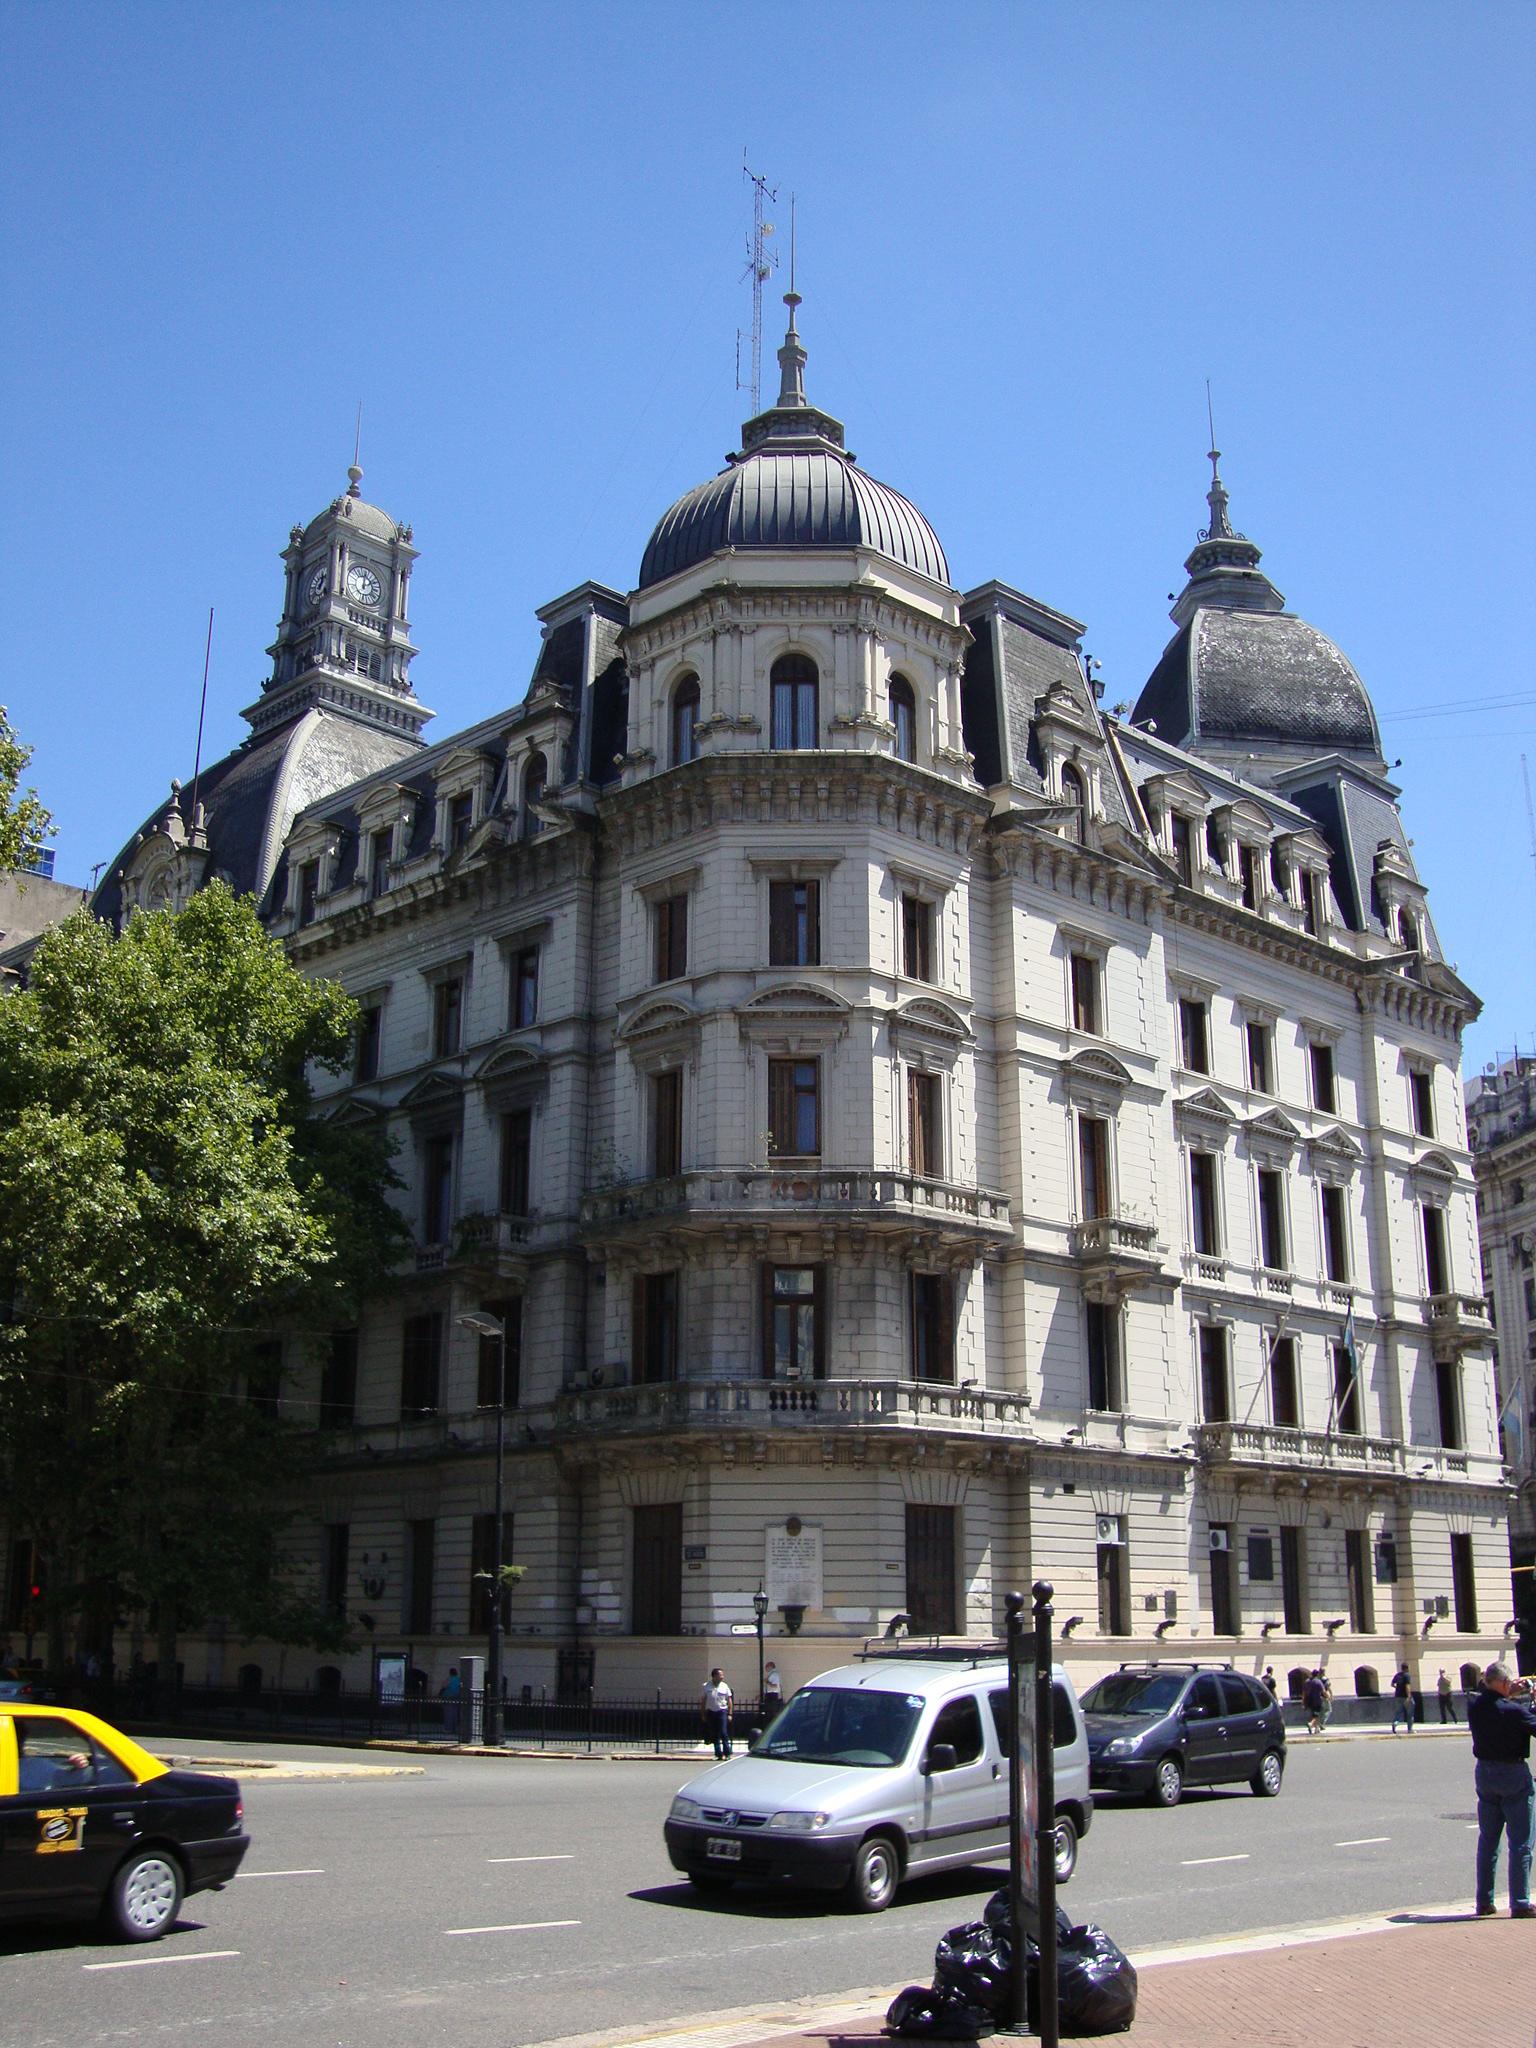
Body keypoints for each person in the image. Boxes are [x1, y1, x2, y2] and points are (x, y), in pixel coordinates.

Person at [1468, 1659, 1536, 1918]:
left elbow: (1490, 1698)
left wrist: (1509, 1690)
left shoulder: (1475, 1705)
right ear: (1505, 1683)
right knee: (1521, 1842)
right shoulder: (1515, 1712)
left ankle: (1484, 1901)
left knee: (1488, 1839)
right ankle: (1520, 1901)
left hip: (1485, 1772)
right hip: (1513, 1774)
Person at [701, 1667, 733, 1759]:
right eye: (720, 1675)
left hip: (722, 1711)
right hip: (711, 1712)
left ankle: (727, 1753)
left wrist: (730, 1714)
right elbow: (703, 1700)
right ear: (714, 1676)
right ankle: (718, 1754)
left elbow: (729, 1700)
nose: (722, 1677)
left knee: (723, 1732)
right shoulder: (706, 1686)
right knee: (714, 1734)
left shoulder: (724, 1686)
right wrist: (703, 1714)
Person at [1390, 1663, 1416, 1734]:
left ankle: (1395, 1723)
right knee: (1410, 1713)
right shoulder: (1407, 1675)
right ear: (1407, 1668)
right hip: (1405, 1696)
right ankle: (1410, 1729)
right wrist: (1409, 1696)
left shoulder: (1397, 1675)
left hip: (1398, 1696)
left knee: (1398, 1712)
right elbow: (1407, 1686)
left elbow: (1392, 1684)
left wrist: (1397, 1688)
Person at [440, 1666, 461, 1739]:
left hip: (447, 1698)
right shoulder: (459, 1680)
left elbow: (443, 1687)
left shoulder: (449, 1679)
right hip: (456, 1698)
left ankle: (448, 1728)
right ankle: (454, 1728)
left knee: (448, 1713)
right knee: (455, 1713)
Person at [1303, 1669, 1326, 1735]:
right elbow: (1323, 1691)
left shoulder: (1307, 1681)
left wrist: (1303, 1701)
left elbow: (1304, 1693)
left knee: (1313, 1714)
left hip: (1309, 1701)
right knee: (1317, 1715)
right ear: (1317, 1674)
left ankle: (1316, 1729)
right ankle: (1310, 1724)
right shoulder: (1318, 1682)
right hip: (1317, 1700)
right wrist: (1328, 1697)